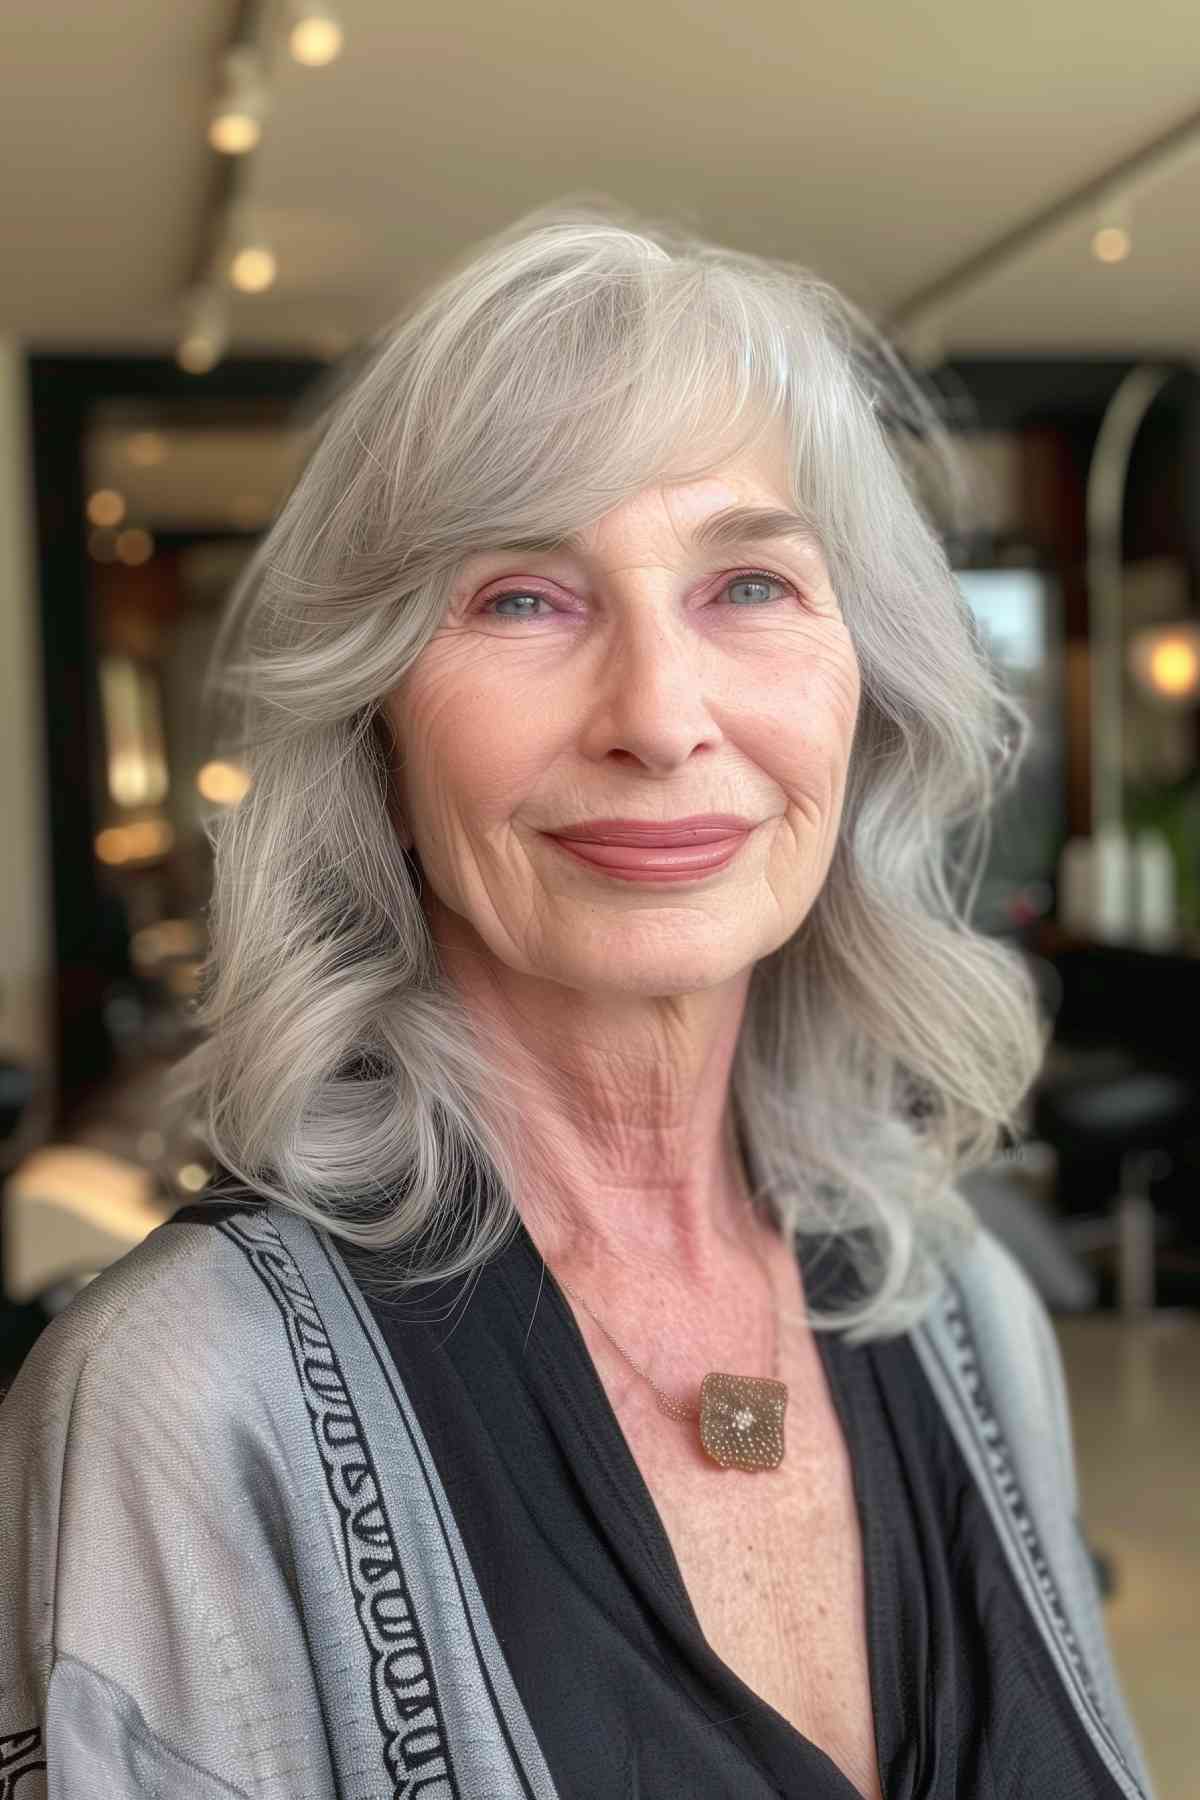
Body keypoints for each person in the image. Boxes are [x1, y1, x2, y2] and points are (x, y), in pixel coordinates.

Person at [0, 200, 1156, 1800]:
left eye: (750, 585)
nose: (661, 716)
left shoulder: (964, 1308)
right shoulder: (188, 1398)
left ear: (866, 693)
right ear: (379, 735)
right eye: (521, 599)